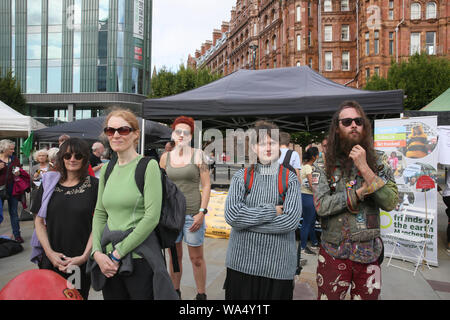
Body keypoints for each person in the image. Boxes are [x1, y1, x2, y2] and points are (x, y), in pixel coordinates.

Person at [314, 101, 398, 300]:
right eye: (347, 121)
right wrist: (357, 195)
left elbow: (390, 202)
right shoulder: (324, 162)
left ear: (364, 126)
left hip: (369, 253)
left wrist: (365, 168)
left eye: (358, 121)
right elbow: (321, 206)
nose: (354, 125)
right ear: (337, 128)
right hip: (333, 251)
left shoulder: (379, 160)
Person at [92, 108, 177, 300]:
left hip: (139, 258)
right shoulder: (107, 169)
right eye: (110, 131)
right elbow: (99, 212)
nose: (115, 135)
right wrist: (97, 252)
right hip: (108, 261)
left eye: (122, 130)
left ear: (135, 134)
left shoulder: (148, 166)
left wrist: (117, 253)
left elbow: (151, 217)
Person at [224, 121, 302, 300]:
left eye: (272, 142)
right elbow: (232, 216)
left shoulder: (289, 178)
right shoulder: (241, 176)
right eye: (262, 143)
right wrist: (272, 210)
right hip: (241, 264)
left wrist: (244, 224)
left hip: (278, 267)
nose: (268, 147)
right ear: (253, 147)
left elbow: (291, 221)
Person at [31, 138, 98, 300]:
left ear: (85, 158)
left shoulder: (95, 186)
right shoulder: (49, 184)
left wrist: (83, 257)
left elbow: (99, 224)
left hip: (78, 261)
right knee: (48, 296)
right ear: (61, 158)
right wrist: (50, 253)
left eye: (78, 155)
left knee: (76, 297)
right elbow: (38, 222)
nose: (72, 159)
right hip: (51, 259)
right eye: (67, 156)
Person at [160, 116, 211, 300]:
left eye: (185, 132)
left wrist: (202, 213)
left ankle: (201, 295)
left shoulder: (199, 155)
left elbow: (206, 186)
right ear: (173, 134)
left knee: (196, 259)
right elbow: (161, 186)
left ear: (190, 135)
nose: (181, 135)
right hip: (171, 216)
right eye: (178, 131)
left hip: (192, 214)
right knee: (175, 258)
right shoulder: (165, 158)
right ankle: (176, 293)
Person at [0, 139, 23, 243]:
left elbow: (18, 170)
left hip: (12, 188)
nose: (13, 151)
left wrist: (18, 172)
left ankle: (17, 235)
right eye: (11, 149)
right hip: (0, 188)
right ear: (4, 149)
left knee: (13, 212)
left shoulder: (14, 159)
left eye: (13, 149)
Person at [300, 147, 320, 255]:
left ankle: (314, 242)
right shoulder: (308, 168)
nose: (318, 156)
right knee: (307, 222)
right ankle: (303, 247)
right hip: (308, 197)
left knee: (311, 222)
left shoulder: (304, 166)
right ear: (314, 156)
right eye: (317, 155)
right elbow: (312, 184)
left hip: (305, 196)